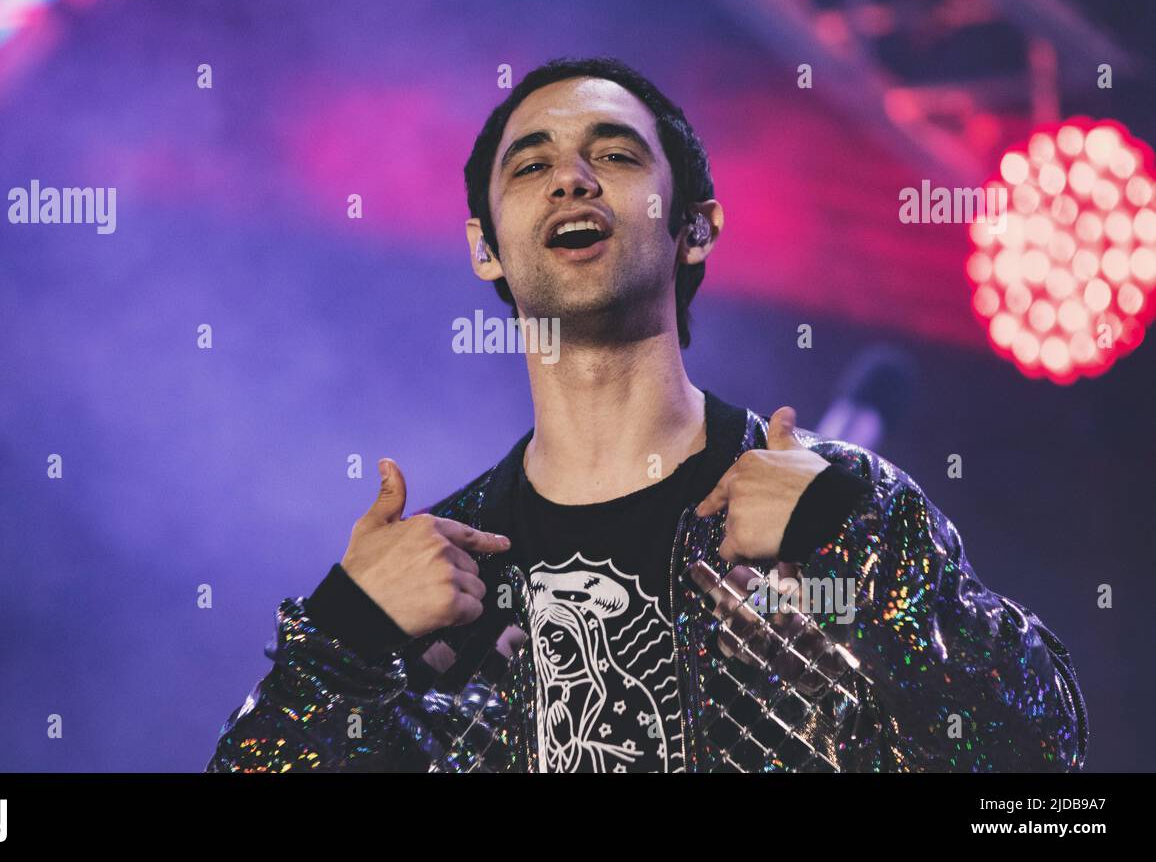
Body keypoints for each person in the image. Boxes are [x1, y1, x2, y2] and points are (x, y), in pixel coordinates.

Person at [205, 56, 1087, 773]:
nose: (572, 180)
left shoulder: (836, 507)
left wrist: (842, 543)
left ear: (695, 229)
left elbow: (1041, 771)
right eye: (532, 165)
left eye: (616, 155)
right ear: (485, 247)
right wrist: (346, 632)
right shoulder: (441, 591)